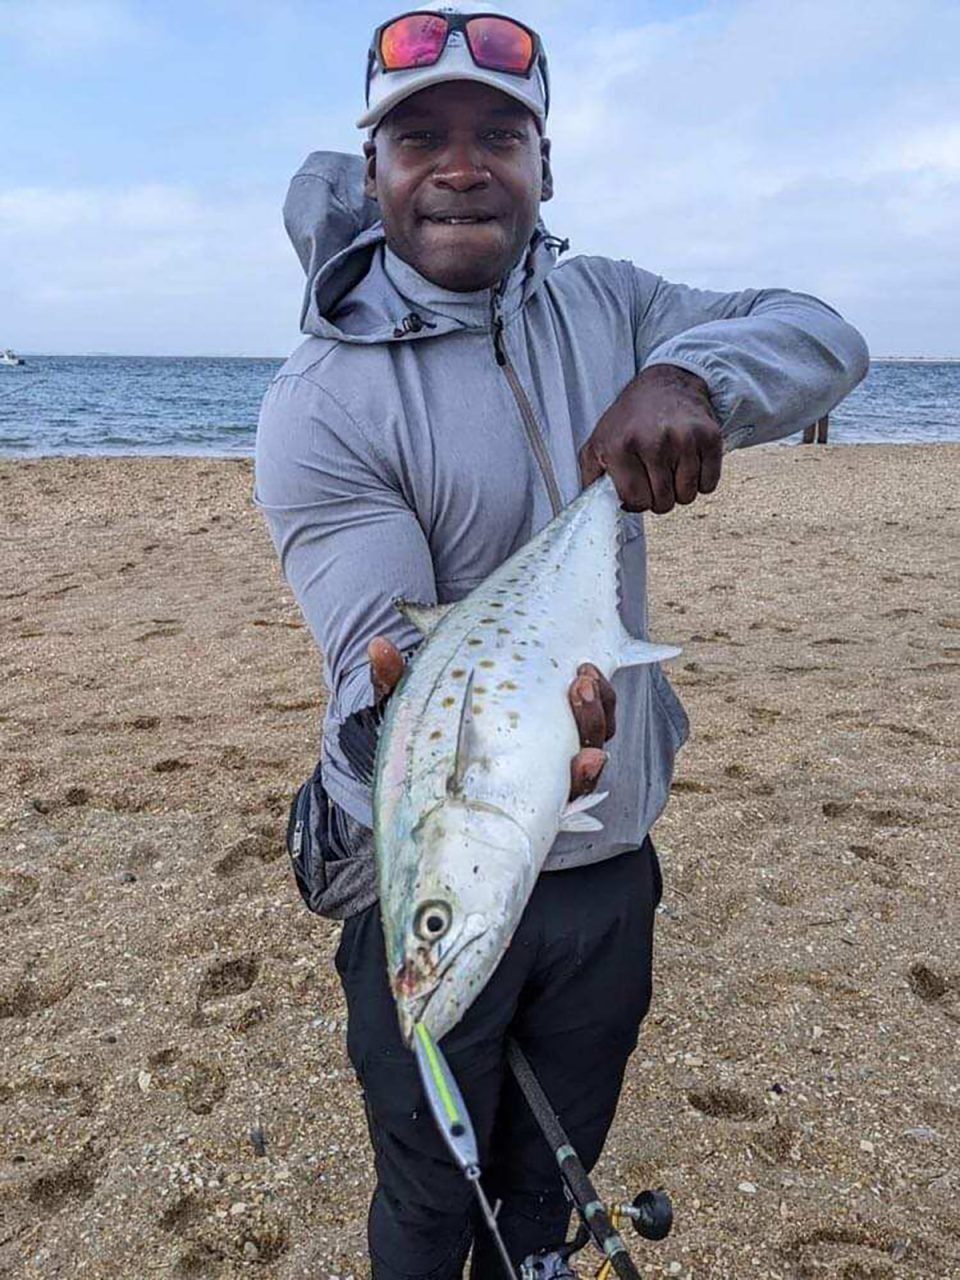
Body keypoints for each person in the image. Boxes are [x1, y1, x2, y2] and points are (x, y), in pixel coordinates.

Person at [254, 4, 869, 1275]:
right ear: (375, 174)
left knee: (551, 1184)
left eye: (499, 134)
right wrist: (475, 745)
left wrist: (693, 381)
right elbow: (387, 660)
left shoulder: (616, 304)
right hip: (426, 861)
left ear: (545, 164)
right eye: (421, 136)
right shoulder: (322, 402)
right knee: (431, 1198)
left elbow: (824, 334)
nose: (462, 164)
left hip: (609, 864)